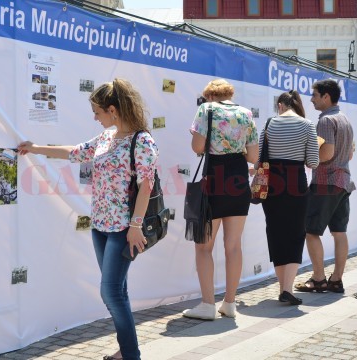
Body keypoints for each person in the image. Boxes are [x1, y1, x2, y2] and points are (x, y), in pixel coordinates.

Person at [18, 78, 157, 360]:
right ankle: (127, 351)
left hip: (122, 229)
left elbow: (147, 184)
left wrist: (135, 226)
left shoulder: (141, 140)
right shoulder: (107, 137)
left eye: (98, 111)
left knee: (110, 293)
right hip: (100, 226)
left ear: (113, 109)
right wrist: (34, 147)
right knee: (119, 290)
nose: (95, 117)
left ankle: (131, 355)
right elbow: (74, 152)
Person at [183, 79, 258, 320]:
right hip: (238, 180)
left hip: (215, 179)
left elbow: (197, 147)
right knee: (233, 245)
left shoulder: (207, 109)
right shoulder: (246, 114)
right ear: (229, 94)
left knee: (204, 247)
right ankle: (230, 303)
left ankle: (207, 305)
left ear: (209, 95)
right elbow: (253, 156)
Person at [295, 79, 355, 294]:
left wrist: (308, 158)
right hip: (344, 182)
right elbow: (349, 154)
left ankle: (318, 279)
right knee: (339, 232)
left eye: (315, 95)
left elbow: (327, 154)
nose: (311, 100)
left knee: (311, 232)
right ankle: (336, 279)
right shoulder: (345, 119)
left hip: (325, 182)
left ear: (326, 97)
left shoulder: (326, 121)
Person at [261, 91, 319, 305]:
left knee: (275, 232)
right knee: (295, 233)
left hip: (272, 184)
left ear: (280, 105)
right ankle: (287, 289)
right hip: (296, 183)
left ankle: (282, 288)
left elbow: (260, 158)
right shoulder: (307, 125)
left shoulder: (269, 124)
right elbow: (313, 161)